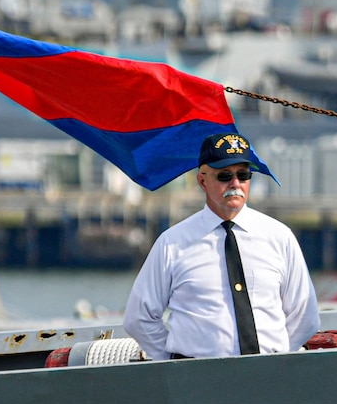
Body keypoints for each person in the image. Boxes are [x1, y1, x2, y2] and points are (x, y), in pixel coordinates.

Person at [124, 132, 320, 359]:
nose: (235, 183)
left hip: (268, 377)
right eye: (225, 175)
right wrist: (174, 364)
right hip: (198, 380)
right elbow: (139, 317)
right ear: (202, 180)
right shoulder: (172, 243)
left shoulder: (279, 237)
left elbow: (305, 316)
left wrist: (277, 359)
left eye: (243, 175)